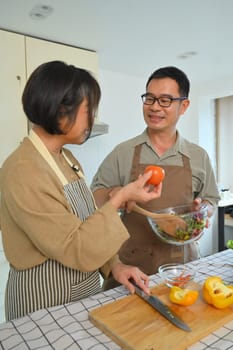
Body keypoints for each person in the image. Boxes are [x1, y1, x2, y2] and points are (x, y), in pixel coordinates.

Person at [0, 61, 163, 321]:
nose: (92, 119)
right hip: (45, 302)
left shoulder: (66, 158)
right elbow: (75, 245)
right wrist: (120, 198)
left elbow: (85, 224)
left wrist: (115, 266)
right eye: (89, 109)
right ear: (61, 110)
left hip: (80, 293)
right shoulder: (23, 169)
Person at [91, 66, 220, 288]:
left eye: (165, 100)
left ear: (184, 105)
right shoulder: (124, 152)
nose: (154, 107)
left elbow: (211, 199)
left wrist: (202, 210)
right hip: (131, 269)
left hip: (182, 268)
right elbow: (94, 197)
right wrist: (116, 194)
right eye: (149, 98)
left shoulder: (198, 156)